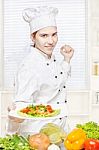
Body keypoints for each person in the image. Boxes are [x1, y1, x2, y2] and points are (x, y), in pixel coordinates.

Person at [7, 6, 74, 137]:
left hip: (57, 129)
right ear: (33, 37)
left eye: (54, 34)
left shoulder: (49, 57)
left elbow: (57, 80)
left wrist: (66, 60)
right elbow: (21, 105)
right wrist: (15, 118)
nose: (51, 41)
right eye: (44, 36)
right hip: (38, 134)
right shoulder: (29, 66)